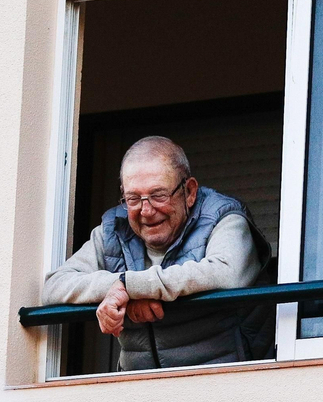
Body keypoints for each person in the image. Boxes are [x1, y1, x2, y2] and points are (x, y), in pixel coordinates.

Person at [44, 136, 273, 370]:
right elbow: (54, 286)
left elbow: (226, 274)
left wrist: (131, 286)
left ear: (190, 191)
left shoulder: (225, 217)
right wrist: (118, 289)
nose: (146, 210)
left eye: (158, 196)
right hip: (141, 388)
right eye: (133, 198)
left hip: (226, 382)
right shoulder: (114, 228)